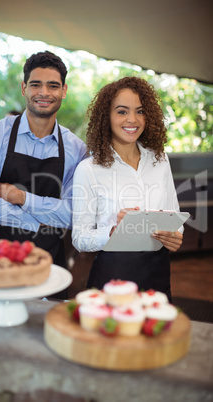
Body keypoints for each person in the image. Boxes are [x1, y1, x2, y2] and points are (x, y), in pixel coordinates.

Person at [0, 51, 87, 286]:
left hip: (48, 261)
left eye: (53, 86)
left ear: (63, 90)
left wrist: (19, 197)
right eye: (36, 85)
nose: (44, 93)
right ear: (24, 88)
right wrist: (39, 220)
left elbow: (74, 214)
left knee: (44, 320)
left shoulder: (76, 149)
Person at [72, 76, 183, 302]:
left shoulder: (160, 160)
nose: (132, 119)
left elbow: (175, 217)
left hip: (157, 274)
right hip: (112, 276)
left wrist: (176, 236)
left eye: (140, 111)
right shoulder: (89, 169)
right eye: (122, 111)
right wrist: (113, 232)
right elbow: (79, 238)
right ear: (106, 117)